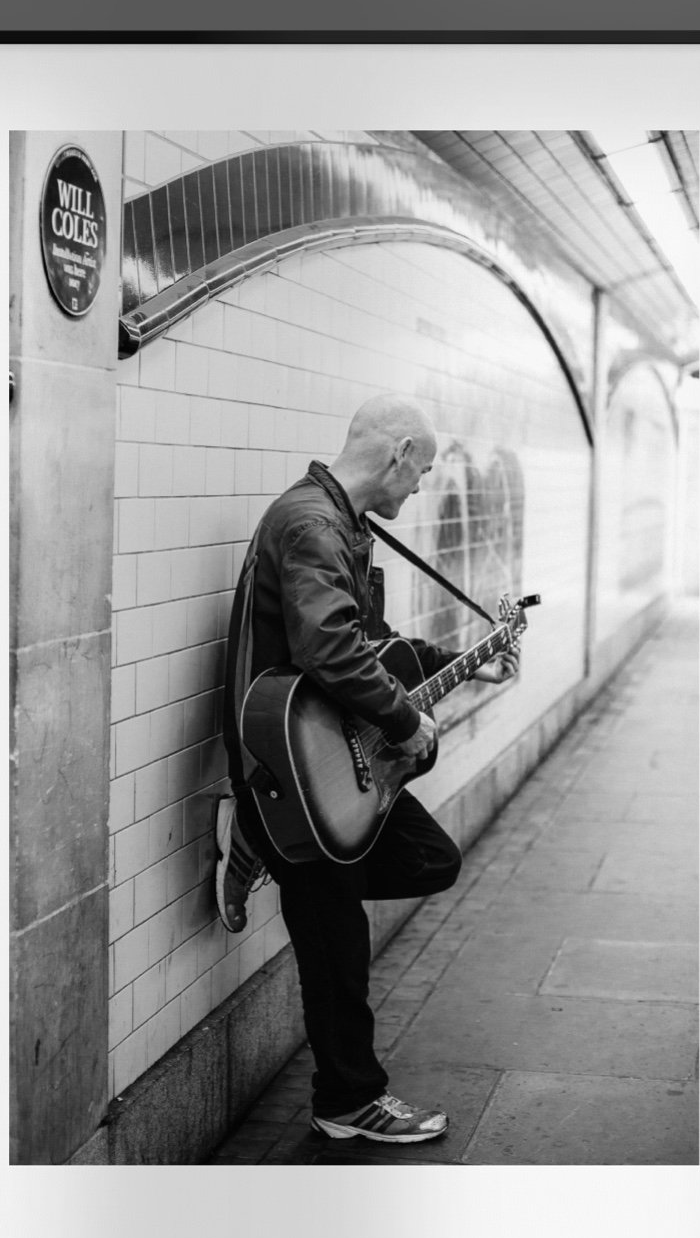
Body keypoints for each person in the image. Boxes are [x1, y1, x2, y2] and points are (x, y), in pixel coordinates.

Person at [215, 395, 518, 1144]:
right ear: (400, 453)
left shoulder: (341, 524)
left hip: (323, 763)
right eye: (422, 470)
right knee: (335, 942)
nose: (419, 487)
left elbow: (371, 643)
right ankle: (349, 1102)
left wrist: (462, 664)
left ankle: (262, 846)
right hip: (294, 767)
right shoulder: (313, 525)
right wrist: (407, 719)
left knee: (428, 859)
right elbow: (328, 651)